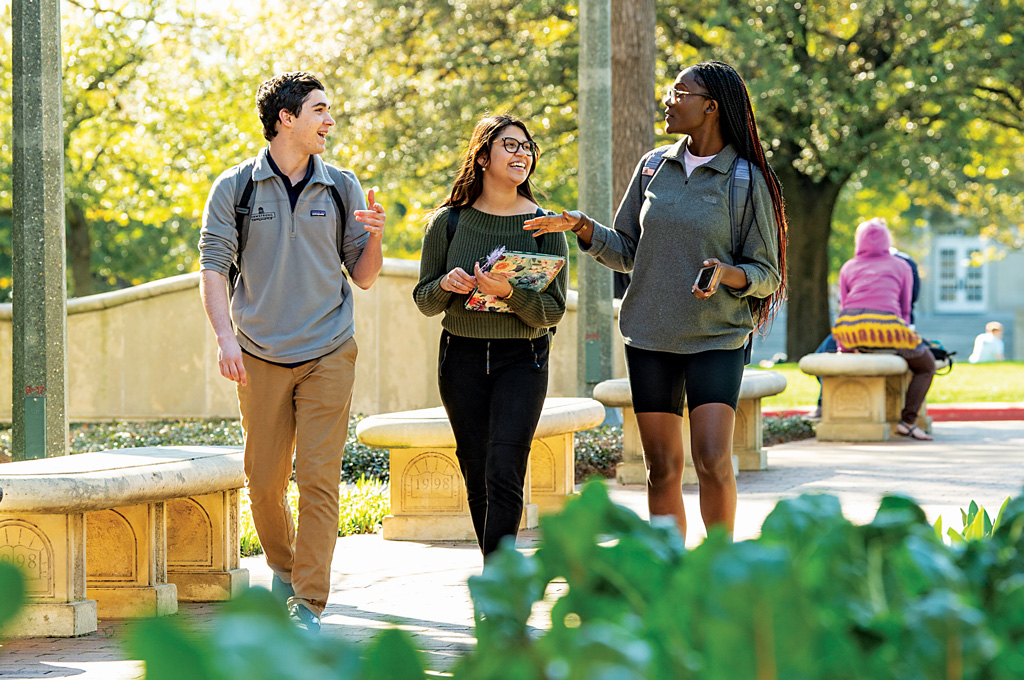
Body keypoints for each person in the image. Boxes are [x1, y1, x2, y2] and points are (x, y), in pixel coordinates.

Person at [525, 61, 787, 541]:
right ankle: (667, 567)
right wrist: (585, 227)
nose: (668, 100)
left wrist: (728, 274)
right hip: (648, 335)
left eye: (679, 92)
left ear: (710, 106)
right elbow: (627, 250)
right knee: (661, 468)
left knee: (711, 460)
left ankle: (719, 566)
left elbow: (767, 273)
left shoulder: (745, 180)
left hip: (716, 336)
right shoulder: (652, 167)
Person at [198, 72, 386, 633]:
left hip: (330, 347)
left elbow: (366, 277)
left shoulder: (342, 186)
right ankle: (283, 570)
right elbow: (213, 268)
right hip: (257, 352)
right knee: (263, 480)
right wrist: (224, 337)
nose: (330, 121)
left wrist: (375, 232)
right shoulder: (236, 188)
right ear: (286, 118)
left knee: (320, 479)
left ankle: (308, 603)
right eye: (319, 110)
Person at [413, 114, 568, 559]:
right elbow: (424, 300)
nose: (522, 154)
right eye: (510, 145)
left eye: (527, 147)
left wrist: (511, 293)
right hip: (460, 358)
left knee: (505, 468)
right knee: (477, 469)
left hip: (524, 359)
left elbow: (553, 311)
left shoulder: (545, 226)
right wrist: (446, 285)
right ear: (483, 156)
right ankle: (496, 573)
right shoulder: (448, 223)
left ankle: (497, 584)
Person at [833, 218, 935, 440]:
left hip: (850, 330)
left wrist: (844, 347)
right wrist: (907, 337)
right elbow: (905, 309)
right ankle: (907, 422)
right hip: (887, 328)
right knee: (927, 365)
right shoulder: (902, 265)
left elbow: (844, 305)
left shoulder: (848, 266)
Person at [809, 244, 920, 418]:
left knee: (827, 352)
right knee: (822, 354)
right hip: (871, 327)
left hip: (883, 327)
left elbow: (844, 303)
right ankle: (831, 401)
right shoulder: (864, 263)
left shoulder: (899, 262)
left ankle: (825, 404)